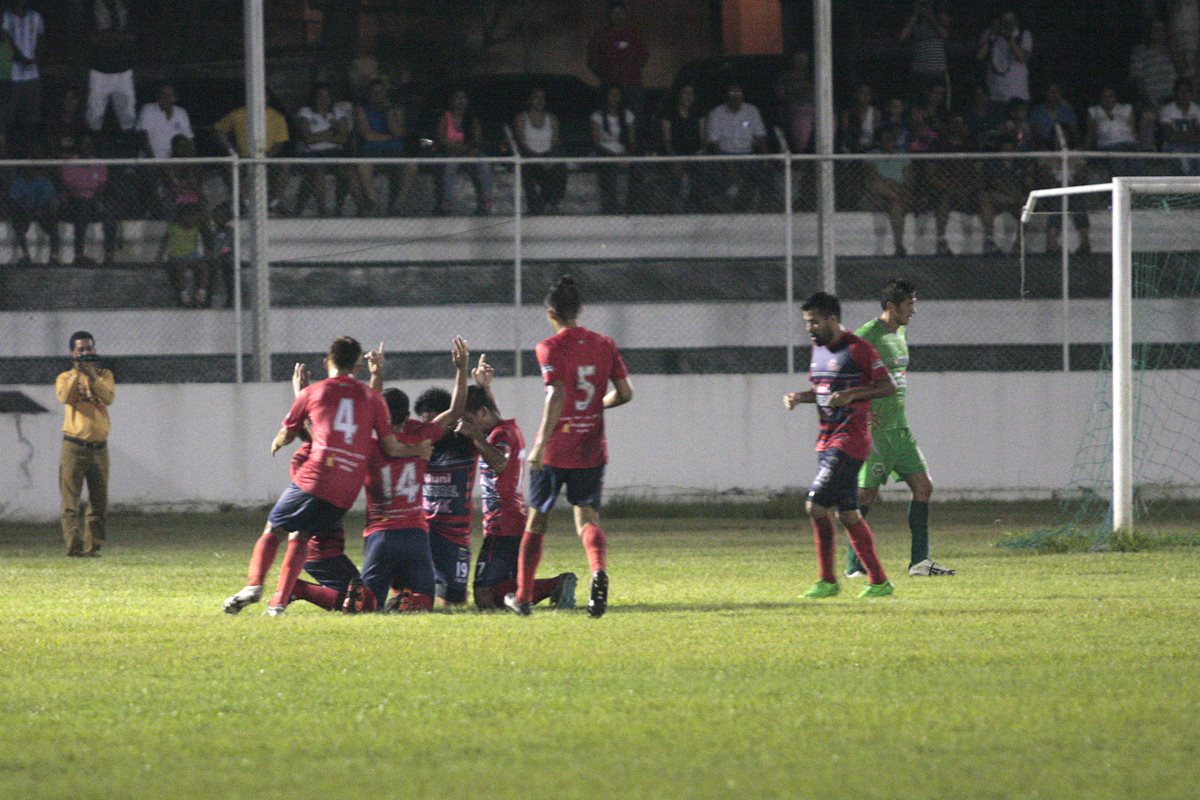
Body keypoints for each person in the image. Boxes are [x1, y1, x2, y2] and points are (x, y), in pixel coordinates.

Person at [222, 335, 432, 617]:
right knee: (302, 535)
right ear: (357, 366)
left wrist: (278, 440)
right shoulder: (372, 398)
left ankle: (254, 585)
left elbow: (291, 431)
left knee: (274, 529)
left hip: (318, 475)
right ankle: (279, 604)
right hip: (346, 490)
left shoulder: (314, 392)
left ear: (327, 361)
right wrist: (418, 449)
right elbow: (390, 446)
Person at [506, 275, 633, 618]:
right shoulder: (605, 344)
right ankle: (598, 572)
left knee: (537, 519)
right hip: (591, 448)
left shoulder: (549, 347)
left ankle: (522, 596)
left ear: (550, 313)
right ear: (581, 310)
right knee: (586, 517)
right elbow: (625, 393)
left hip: (556, 449)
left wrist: (539, 444)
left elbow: (557, 394)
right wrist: (595, 407)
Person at [783, 292, 895, 599]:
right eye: (807, 322)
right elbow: (822, 390)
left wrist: (852, 394)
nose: (809, 328)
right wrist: (799, 397)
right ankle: (879, 581)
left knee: (816, 505)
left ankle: (827, 581)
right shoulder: (817, 350)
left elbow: (888, 386)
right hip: (826, 441)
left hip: (849, 441)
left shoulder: (858, 349)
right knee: (848, 514)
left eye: (814, 321)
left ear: (831, 318)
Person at [847, 280, 955, 580]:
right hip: (877, 431)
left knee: (924, 487)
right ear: (891, 307)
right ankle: (854, 566)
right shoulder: (866, 336)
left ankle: (919, 562)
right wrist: (860, 412)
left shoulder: (901, 333)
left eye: (914, 303)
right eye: (909, 304)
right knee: (866, 495)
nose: (914, 310)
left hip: (900, 427)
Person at [357, 337, 469, 613]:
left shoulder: (369, 442)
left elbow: (374, 410)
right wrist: (461, 370)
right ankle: (405, 601)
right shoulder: (420, 435)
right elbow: (455, 412)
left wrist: (376, 374)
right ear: (408, 414)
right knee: (424, 602)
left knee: (366, 606)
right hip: (416, 535)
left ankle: (393, 598)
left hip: (381, 534)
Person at [458, 358, 576, 611]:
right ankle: (553, 586)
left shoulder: (500, 435)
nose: (466, 426)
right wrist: (486, 388)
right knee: (501, 589)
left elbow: (499, 463)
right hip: (509, 521)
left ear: (481, 414)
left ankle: (557, 584)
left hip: (504, 524)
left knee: (483, 595)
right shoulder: (505, 428)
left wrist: (474, 435)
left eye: (470, 419)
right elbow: (493, 419)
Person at [413, 383, 475, 609]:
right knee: (417, 596)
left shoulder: (465, 445)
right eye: (425, 422)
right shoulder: (419, 446)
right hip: (423, 532)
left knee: (454, 601)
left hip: (455, 536)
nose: (431, 428)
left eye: (436, 422)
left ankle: (454, 590)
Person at [56, 331, 114, 559]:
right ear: (72, 352)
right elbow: (64, 397)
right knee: (70, 502)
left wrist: (91, 376)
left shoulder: (104, 375)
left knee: (98, 501)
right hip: (73, 446)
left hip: (99, 447)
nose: (85, 353)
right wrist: (77, 374)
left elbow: (108, 398)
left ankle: (93, 547)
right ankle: (74, 547)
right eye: (80, 350)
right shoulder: (64, 377)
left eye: (88, 348)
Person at [212, 96, 291, 215]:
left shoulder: (277, 117)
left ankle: (274, 203)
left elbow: (279, 144)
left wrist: (265, 158)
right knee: (231, 167)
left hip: (268, 158)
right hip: (243, 158)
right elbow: (218, 130)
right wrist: (231, 150)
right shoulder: (238, 114)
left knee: (284, 165)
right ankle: (246, 204)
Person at [293, 82, 358, 217]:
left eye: (327, 96)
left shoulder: (338, 112)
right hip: (312, 154)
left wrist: (320, 136)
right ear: (313, 98)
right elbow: (307, 139)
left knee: (347, 170)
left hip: (334, 152)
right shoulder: (305, 112)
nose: (324, 100)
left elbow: (343, 139)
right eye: (320, 96)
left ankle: (360, 206)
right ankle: (322, 210)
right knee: (318, 170)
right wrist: (330, 133)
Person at [354, 77, 415, 216]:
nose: (378, 96)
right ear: (368, 94)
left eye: (381, 92)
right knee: (363, 165)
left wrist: (389, 113)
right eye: (374, 92)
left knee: (412, 166)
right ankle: (373, 203)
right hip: (372, 152)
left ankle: (398, 205)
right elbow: (367, 135)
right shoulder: (362, 109)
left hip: (395, 152)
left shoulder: (396, 110)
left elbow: (398, 132)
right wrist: (390, 137)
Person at [707, 83, 770, 212]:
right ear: (726, 97)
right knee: (713, 170)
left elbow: (761, 136)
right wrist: (729, 166)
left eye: (738, 95)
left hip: (747, 154)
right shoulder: (717, 113)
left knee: (765, 172)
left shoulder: (752, 111)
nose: (735, 98)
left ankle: (763, 208)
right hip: (725, 154)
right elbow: (714, 142)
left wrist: (766, 158)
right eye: (732, 95)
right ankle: (720, 207)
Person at [60, 133, 117, 267]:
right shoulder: (70, 163)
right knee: (82, 206)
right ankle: (79, 254)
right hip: (74, 203)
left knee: (109, 213)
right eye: (84, 144)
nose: (87, 147)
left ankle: (109, 255)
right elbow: (69, 189)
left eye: (89, 144)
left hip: (94, 201)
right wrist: (83, 199)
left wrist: (95, 201)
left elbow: (102, 186)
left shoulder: (99, 163)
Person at [586, 1, 649, 121]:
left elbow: (644, 57)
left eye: (620, 12)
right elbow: (591, 62)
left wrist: (631, 71)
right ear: (608, 15)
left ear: (625, 14)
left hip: (632, 87)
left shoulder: (634, 34)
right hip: (609, 88)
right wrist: (604, 76)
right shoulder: (600, 35)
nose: (617, 16)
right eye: (614, 13)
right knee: (610, 121)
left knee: (634, 122)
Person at [436, 87, 493, 215]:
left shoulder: (472, 118)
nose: (460, 101)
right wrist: (456, 148)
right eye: (457, 97)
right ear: (452, 100)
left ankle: (486, 202)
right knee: (451, 165)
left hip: (470, 152)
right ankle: (446, 203)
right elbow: (441, 139)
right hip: (451, 152)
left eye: (463, 98)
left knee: (484, 163)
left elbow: (477, 139)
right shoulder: (445, 117)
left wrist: (468, 150)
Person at [87, 0, 138, 136]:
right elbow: (90, 39)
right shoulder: (92, 8)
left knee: (128, 116)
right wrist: (116, 37)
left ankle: (128, 151)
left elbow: (133, 36)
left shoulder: (125, 7)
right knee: (95, 115)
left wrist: (108, 36)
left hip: (123, 70)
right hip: (99, 70)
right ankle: (93, 150)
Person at [514, 86, 567, 215]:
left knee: (559, 164)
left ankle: (553, 203)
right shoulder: (521, 118)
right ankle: (536, 206)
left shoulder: (552, 118)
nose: (540, 100)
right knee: (529, 169)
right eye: (536, 97)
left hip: (548, 156)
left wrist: (549, 158)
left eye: (542, 97)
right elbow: (521, 143)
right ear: (529, 100)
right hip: (529, 156)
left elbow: (555, 141)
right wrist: (537, 159)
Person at [3, 0, 45, 152]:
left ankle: (29, 152)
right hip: (12, 75)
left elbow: (40, 40)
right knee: (9, 117)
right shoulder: (6, 17)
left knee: (31, 118)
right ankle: (8, 151)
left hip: (32, 75)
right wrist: (21, 58)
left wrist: (35, 60)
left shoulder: (36, 17)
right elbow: (7, 40)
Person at [864, 126, 911, 258]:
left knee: (896, 206)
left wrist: (898, 188)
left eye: (892, 139)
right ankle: (898, 245)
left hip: (896, 193)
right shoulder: (871, 155)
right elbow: (873, 175)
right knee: (878, 185)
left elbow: (908, 177)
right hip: (879, 192)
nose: (890, 142)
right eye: (886, 139)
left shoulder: (901, 154)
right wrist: (892, 184)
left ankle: (898, 246)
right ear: (879, 141)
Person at [659, 82, 707, 212]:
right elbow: (667, 140)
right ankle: (675, 209)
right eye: (685, 93)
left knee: (702, 172)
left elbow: (703, 137)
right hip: (675, 154)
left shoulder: (698, 112)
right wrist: (674, 158)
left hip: (695, 154)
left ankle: (696, 206)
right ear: (679, 95)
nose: (688, 96)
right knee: (675, 174)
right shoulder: (669, 113)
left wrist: (700, 152)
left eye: (691, 93)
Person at [591, 85, 636, 214]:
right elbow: (596, 143)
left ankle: (630, 207)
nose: (615, 98)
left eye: (618, 95)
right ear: (606, 97)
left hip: (622, 153)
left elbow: (632, 141)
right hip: (605, 153)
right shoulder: (597, 116)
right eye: (612, 95)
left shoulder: (627, 115)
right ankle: (611, 208)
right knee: (609, 170)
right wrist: (613, 157)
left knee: (637, 170)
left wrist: (626, 155)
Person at [976, 9, 1032, 110]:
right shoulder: (989, 32)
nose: (1007, 23)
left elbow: (1023, 57)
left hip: (1018, 93)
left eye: (1010, 20)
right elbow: (979, 56)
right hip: (995, 92)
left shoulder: (1024, 34)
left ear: (1016, 21)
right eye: (1004, 20)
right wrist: (992, 36)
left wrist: (1010, 39)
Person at [157, 201, 209, 308]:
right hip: (177, 256)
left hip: (193, 255)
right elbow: (164, 242)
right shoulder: (173, 227)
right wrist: (160, 256)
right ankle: (184, 293)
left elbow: (207, 233)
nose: (191, 220)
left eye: (194, 217)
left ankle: (202, 292)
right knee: (181, 268)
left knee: (204, 267)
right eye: (188, 216)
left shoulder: (197, 227)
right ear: (181, 216)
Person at [900, 0, 950, 107]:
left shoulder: (940, 16)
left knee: (939, 105)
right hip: (920, 72)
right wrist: (915, 17)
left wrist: (931, 18)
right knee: (919, 105)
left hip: (938, 71)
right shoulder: (912, 19)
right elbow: (902, 37)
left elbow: (945, 35)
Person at [9, 163, 59, 266]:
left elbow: (49, 200)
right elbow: (16, 201)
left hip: (42, 210)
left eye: (31, 169)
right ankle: (25, 255)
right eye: (26, 169)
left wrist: (41, 211)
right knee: (18, 223)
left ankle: (54, 256)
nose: (29, 171)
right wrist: (27, 210)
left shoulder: (43, 181)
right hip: (25, 211)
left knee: (53, 224)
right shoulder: (18, 182)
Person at [135, 83, 193, 160]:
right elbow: (143, 137)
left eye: (170, 95)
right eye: (163, 94)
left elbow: (189, 140)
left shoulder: (181, 112)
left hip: (174, 162)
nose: (166, 98)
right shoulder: (148, 109)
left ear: (176, 98)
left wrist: (193, 163)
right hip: (150, 160)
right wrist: (155, 162)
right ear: (158, 96)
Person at [1159, 76, 1200, 176]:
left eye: (1187, 91)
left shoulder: (1197, 109)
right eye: (1181, 91)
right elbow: (1169, 136)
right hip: (1173, 147)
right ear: (1175, 93)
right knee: (1183, 160)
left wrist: (1181, 135)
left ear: (1191, 93)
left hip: (1194, 146)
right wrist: (1190, 135)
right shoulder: (1167, 110)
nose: (1184, 95)